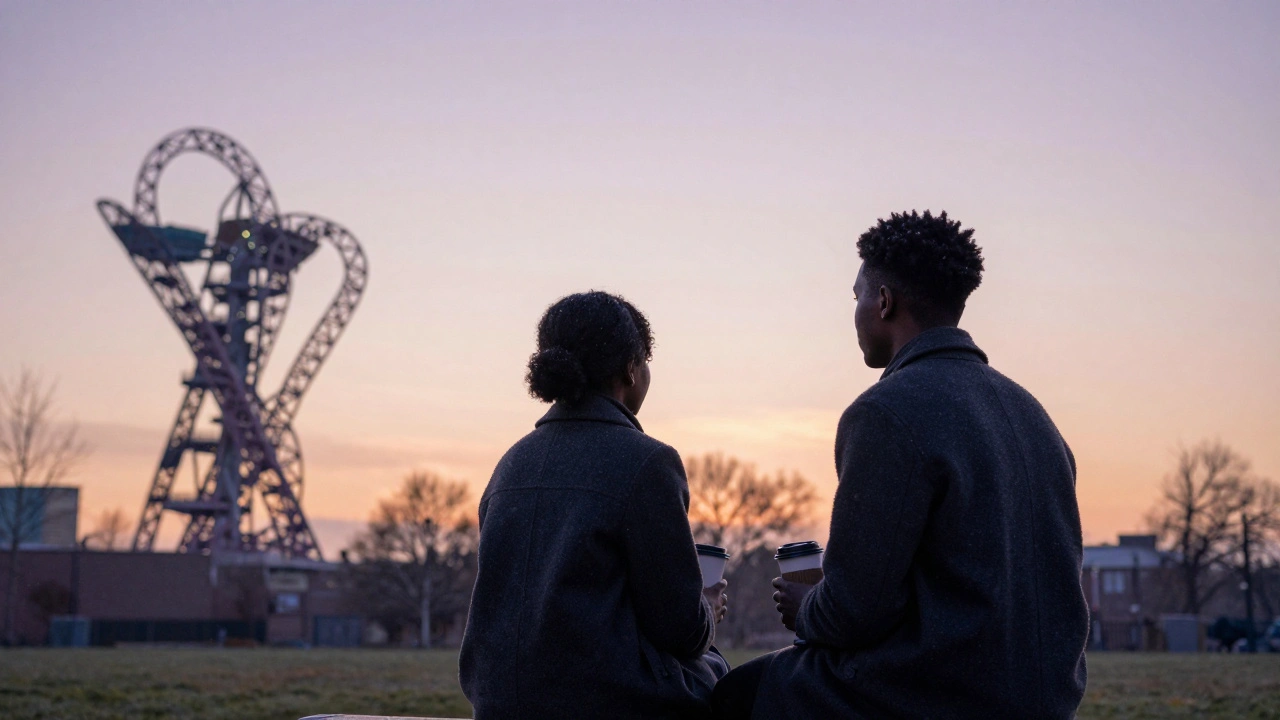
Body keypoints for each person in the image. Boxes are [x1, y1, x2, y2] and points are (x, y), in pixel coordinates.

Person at [711, 211, 1089, 719]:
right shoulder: (1033, 414)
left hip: (936, 693)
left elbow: (853, 615)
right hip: (1045, 698)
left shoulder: (886, 412)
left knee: (734, 696)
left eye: (857, 297)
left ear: (884, 301)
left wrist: (808, 609)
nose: (856, 313)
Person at [459, 290, 730, 719]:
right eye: (646, 360)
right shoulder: (647, 462)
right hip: (600, 702)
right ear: (630, 368)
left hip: (496, 703)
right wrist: (709, 609)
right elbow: (681, 630)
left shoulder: (510, 464)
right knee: (718, 673)